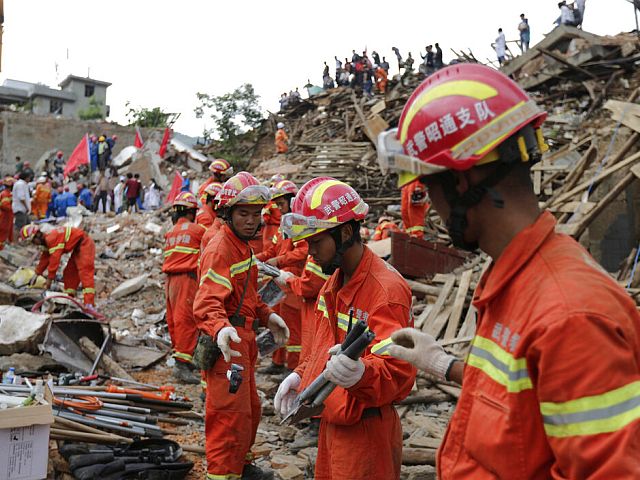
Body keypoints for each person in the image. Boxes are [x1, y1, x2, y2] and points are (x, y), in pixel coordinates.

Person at [377, 63, 640, 478]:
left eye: (429, 187)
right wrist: (441, 364)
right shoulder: (517, 281)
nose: (434, 209)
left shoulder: (570, 315)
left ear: (462, 183)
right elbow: (520, 408)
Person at [274, 177, 417, 480]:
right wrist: (302, 374)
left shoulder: (385, 291)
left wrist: (363, 374)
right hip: (334, 421)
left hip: (366, 431)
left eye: (316, 241)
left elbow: (399, 373)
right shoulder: (335, 280)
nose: (310, 252)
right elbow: (322, 342)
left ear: (347, 232)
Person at [193, 172, 289, 480]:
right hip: (227, 345)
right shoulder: (221, 247)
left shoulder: (241, 246)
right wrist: (221, 329)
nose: (251, 221)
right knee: (227, 417)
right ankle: (223, 474)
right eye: (243, 213)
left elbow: (246, 294)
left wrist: (266, 315)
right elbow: (207, 302)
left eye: (255, 214)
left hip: (242, 340)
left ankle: (241, 466)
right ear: (227, 213)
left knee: (249, 409)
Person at [257, 180, 308, 373]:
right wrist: (255, 259)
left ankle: (293, 368)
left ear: (292, 200)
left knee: (293, 328)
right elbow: (273, 250)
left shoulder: (300, 225)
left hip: (293, 282)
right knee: (276, 321)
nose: (278, 208)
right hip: (280, 282)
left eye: (281, 204)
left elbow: (303, 251)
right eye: (276, 205)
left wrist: (279, 261)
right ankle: (278, 362)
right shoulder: (284, 225)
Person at [162, 192, 206, 384]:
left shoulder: (171, 232)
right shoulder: (198, 230)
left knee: (174, 319)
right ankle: (181, 364)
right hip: (187, 279)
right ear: (191, 212)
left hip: (170, 280)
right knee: (186, 321)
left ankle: (183, 358)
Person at [22, 224, 96, 306]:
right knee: (69, 273)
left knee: (85, 272)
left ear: (37, 235)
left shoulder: (51, 238)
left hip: (84, 243)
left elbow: (55, 259)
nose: (34, 244)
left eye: (33, 241)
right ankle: (69, 298)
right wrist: (37, 274)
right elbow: (45, 258)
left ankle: (89, 304)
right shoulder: (47, 239)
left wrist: (50, 278)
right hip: (77, 247)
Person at [12, 171, 31, 236]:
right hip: (20, 208)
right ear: (26, 178)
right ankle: (16, 241)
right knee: (19, 226)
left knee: (27, 225)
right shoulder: (20, 184)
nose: (29, 179)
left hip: (23, 209)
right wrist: (26, 207)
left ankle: (23, 240)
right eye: (29, 177)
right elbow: (21, 198)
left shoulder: (23, 184)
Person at [0, 177, 14, 250]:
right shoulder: (5, 194)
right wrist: (13, 208)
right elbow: (4, 205)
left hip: (7, 216)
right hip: (5, 217)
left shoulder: (7, 193)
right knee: (3, 233)